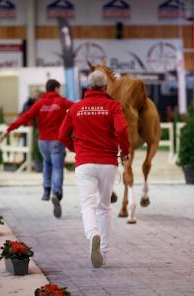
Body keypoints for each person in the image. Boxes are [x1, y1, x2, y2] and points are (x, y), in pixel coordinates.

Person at [58, 70, 130, 268]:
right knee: (103, 208)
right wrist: (124, 151)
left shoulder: (75, 108)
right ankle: (104, 252)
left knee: (87, 205)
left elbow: (62, 135)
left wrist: (76, 149)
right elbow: (122, 129)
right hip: (108, 162)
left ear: (87, 87)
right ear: (105, 87)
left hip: (84, 163)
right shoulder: (113, 106)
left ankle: (93, 234)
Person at [1, 79, 74, 218]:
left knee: (47, 163)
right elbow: (78, 108)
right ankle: (56, 193)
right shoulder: (62, 102)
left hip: (42, 141)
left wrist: (9, 129)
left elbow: (25, 116)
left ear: (47, 89)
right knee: (57, 167)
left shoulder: (39, 103)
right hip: (57, 141)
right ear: (57, 89)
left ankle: (46, 190)